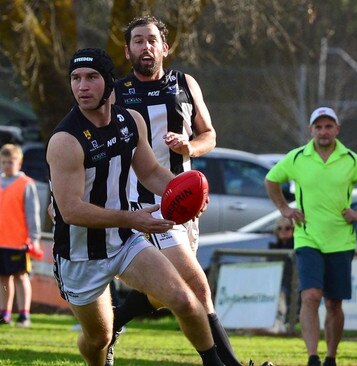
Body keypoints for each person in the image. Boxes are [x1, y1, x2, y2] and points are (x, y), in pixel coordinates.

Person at [47, 47, 224, 366]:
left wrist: (184, 192)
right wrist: (132, 218)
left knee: (184, 298)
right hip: (80, 253)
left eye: (91, 77)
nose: (82, 86)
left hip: (126, 241)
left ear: (109, 83)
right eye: (75, 78)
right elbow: (71, 211)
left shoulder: (130, 121)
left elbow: (152, 172)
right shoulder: (65, 141)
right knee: (98, 338)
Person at [110, 15, 242, 366]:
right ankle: (229, 364)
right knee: (197, 287)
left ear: (165, 47)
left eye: (152, 40)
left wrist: (189, 147)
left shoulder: (184, 83)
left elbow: (209, 135)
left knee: (167, 290)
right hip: (143, 204)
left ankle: (116, 319)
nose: (146, 46)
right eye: (138, 40)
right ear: (127, 50)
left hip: (185, 202)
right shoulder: (116, 93)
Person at [265, 106, 357, 366]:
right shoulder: (297, 158)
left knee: (333, 303)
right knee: (310, 296)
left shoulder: (351, 160)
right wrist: (285, 208)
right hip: (308, 238)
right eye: (318, 127)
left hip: (341, 240)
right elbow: (271, 180)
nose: (323, 131)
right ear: (311, 131)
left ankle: (331, 356)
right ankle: (312, 357)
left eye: (328, 126)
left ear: (337, 129)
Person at [0, 143, 41, 328]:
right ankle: (4, 314)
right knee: (2, 277)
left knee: (20, 276)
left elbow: (33, 213)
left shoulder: (26, 184)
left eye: (11, 161)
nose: (7, 165)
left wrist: (34, 238)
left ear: (19, 162)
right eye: (4, 161)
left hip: (18, 241)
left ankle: (24, 314)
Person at [268, 217, 295, 333]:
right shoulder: (272, 248)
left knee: (280, 293)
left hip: (291, 286)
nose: (283, 231)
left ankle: (279, 325)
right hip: (273, 284)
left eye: (287, 228)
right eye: (280, 228)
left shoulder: (297, 247)